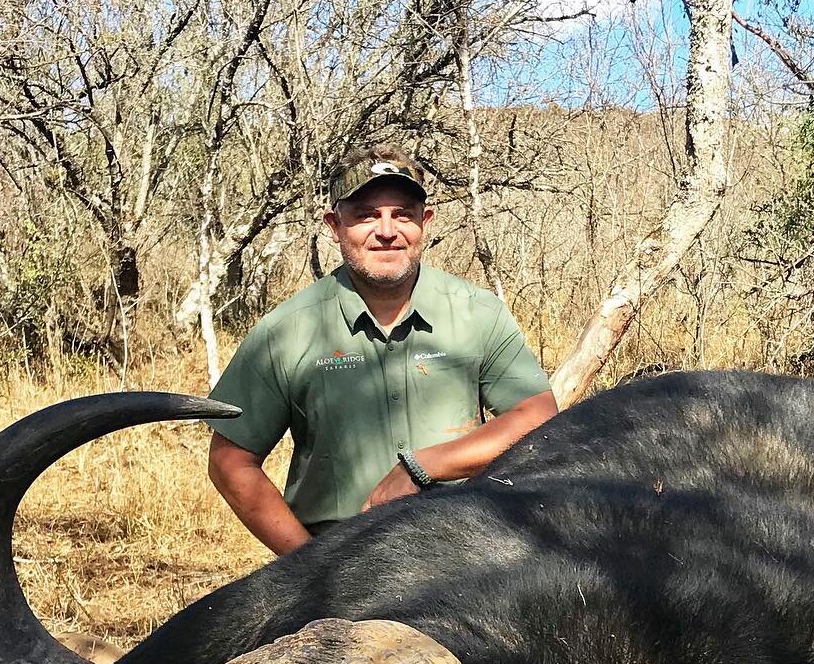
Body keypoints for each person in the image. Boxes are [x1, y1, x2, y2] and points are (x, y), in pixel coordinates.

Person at [205, 145, 558, 555]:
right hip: (344, 559)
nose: (387, 231)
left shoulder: (477, 313)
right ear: (335, 225)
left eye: (402, 214)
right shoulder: (287, 330)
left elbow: (537, 416)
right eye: (366, 215)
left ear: (425, 222)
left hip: (467, 551)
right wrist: (308, 568)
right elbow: (230, 463)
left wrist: (423, 466)